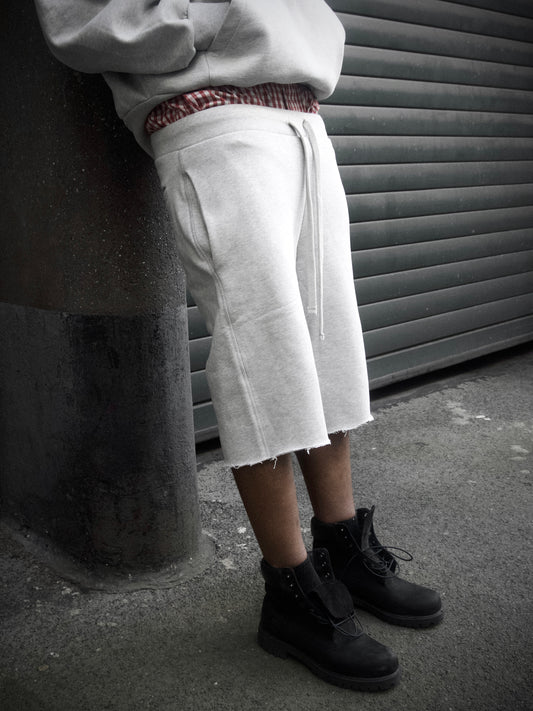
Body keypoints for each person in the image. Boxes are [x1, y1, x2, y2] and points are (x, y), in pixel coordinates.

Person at [34, 0, 442, 692]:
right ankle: (290, 591)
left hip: (303, 117)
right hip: (213, 118)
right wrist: (208, 14)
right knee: (263, 349)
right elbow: (77, 23)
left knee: (328, 343)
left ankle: (342, 546)